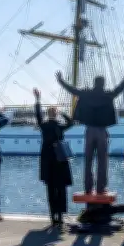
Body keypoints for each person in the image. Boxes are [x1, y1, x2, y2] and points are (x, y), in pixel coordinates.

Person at [56, 63, 124, 194]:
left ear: (94, 83)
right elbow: (119, 88)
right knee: (103, 160)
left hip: (89, 130)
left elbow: (72, 90)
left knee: (88, 160)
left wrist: (60, 81)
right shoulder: (107, 95)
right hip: (102, 131)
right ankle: (100, 187)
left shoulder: (86, 94)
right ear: (103, 84)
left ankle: (88, 187)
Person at [33, 88, 73, 226]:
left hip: (47, 159)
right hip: (60, 159)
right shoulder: (59, 126)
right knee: (61, 188)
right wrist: (62, 112)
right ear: (55, 114)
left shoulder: (43, 126)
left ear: (47, 114)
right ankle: (61, 216)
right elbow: (71, 122)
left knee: (50, 188)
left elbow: (38, 116)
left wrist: (38, 100)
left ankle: (52, 216)